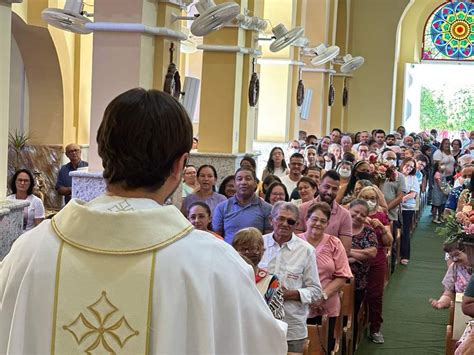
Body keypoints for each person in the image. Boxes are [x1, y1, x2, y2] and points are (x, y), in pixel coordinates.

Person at [0, 88, 287, 354]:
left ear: (101, 154)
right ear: (179, 165)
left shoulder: (27, 253)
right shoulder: (215, 266)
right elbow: (263, 344)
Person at [259, 202, 322, 354]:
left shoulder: (306, 250)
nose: (285, 224)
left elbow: (316, 291)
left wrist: (289, 294)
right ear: (271, 220)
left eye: (290, 221)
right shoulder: (258, 243)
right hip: (259, 324)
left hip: (292, 327)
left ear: (297, 225)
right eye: (280, 219)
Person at [301, 202, 352, 352]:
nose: (318, 223)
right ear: (307, 219)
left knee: (322, 348)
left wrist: (321, 296)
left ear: (328, 224)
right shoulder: (294, 241)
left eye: (323, 221)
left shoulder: (334, 243)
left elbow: (342, 275)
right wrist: (305, 297)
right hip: (297, 306)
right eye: (314, 219)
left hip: (326, 305)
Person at [357, 186, 393, 343]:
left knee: (375, 295)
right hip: (356, 260)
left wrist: (382, 229)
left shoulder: (381, 216)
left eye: (372, 199)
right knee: (356, 293)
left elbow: (388, 241)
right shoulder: (354, 215)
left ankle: (375, 328)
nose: (369, 202)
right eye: (365, 198)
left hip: (376, 260)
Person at [232, 227, 285, 320]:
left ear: (262, 251)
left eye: (254, 249)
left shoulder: (271, 281)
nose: (248, 253)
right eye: (243, 249)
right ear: (234, 251)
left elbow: (277, 317)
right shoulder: (226, 277)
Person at [297, 170, 353, 254]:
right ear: (319, 185)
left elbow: (345, 250)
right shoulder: (302, 209)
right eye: (327, 187)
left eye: (334, 189)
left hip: (331, 262)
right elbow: (297, 241)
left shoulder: (345, 215)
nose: (329, 192)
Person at [213, 167, 273, 244]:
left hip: (255, 254)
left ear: (255, 184)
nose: (243, 182)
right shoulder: (222, 208)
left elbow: (268, 239)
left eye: (248, 179)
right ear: (234, 184)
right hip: (228, 253)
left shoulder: (267, 208)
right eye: (239, 179)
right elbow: (217, 237)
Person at [348, 199, 378, 348]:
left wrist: (349, 253)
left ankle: (351, 345)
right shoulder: (341, 227)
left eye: (362, 214)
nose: (358, 216)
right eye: (355, 212)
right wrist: (358, 256)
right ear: (349, 209)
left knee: (351, 314)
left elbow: (372, 252)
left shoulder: (368, 232)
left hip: (358, 281)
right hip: (337, 277)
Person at [430, 243, 472, 310]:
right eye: (451, 256)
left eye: (457, 254)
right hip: (461, 311)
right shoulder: (454, 267)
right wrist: (442, 302)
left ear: (470, 250)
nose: (454, 259)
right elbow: (449, 292)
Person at [400, 158, 420, 265]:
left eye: (411, 167)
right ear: (403, 164)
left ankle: (405, 255)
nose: (409, 168)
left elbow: (413, 193)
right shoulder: (397, 175)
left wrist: (402, 199)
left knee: (405, 230)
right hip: (395, 207)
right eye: (407, 165)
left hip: (407, 207)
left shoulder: (413, 178)